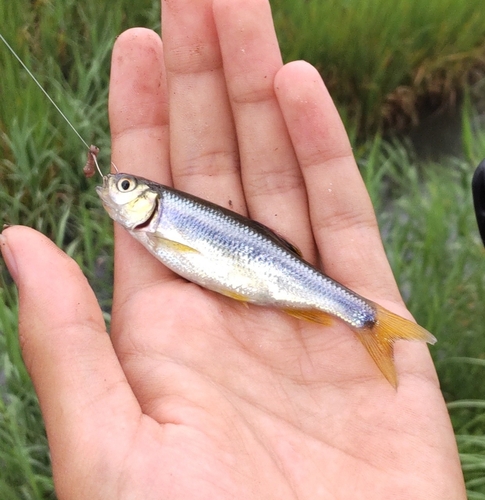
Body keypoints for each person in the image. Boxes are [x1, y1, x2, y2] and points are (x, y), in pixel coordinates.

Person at [0, 0, 466, 498]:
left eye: (127, 187)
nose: (118, 190)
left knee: (331, 302)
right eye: (124, 186)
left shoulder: (161, 224)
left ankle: (366, 318)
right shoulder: (157, 225)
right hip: (267, 274)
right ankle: (364, 318)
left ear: (148, 202)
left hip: (273, 275)